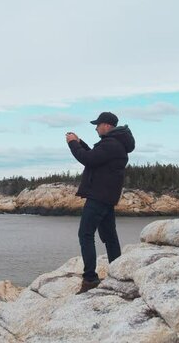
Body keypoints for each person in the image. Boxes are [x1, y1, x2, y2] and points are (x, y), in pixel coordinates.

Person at [66, 112, 135, 294]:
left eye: (97, 125)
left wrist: (72, 144)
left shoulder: (111, 143)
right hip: (107, 197)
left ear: (106, 125)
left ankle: (90, 279)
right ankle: (117, 272)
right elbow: (95, 157)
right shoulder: (116, 143)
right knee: (110, 237)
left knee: (85, 235)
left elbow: (87, 159)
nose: (96, 128)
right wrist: (80, 143)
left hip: (98, 197)